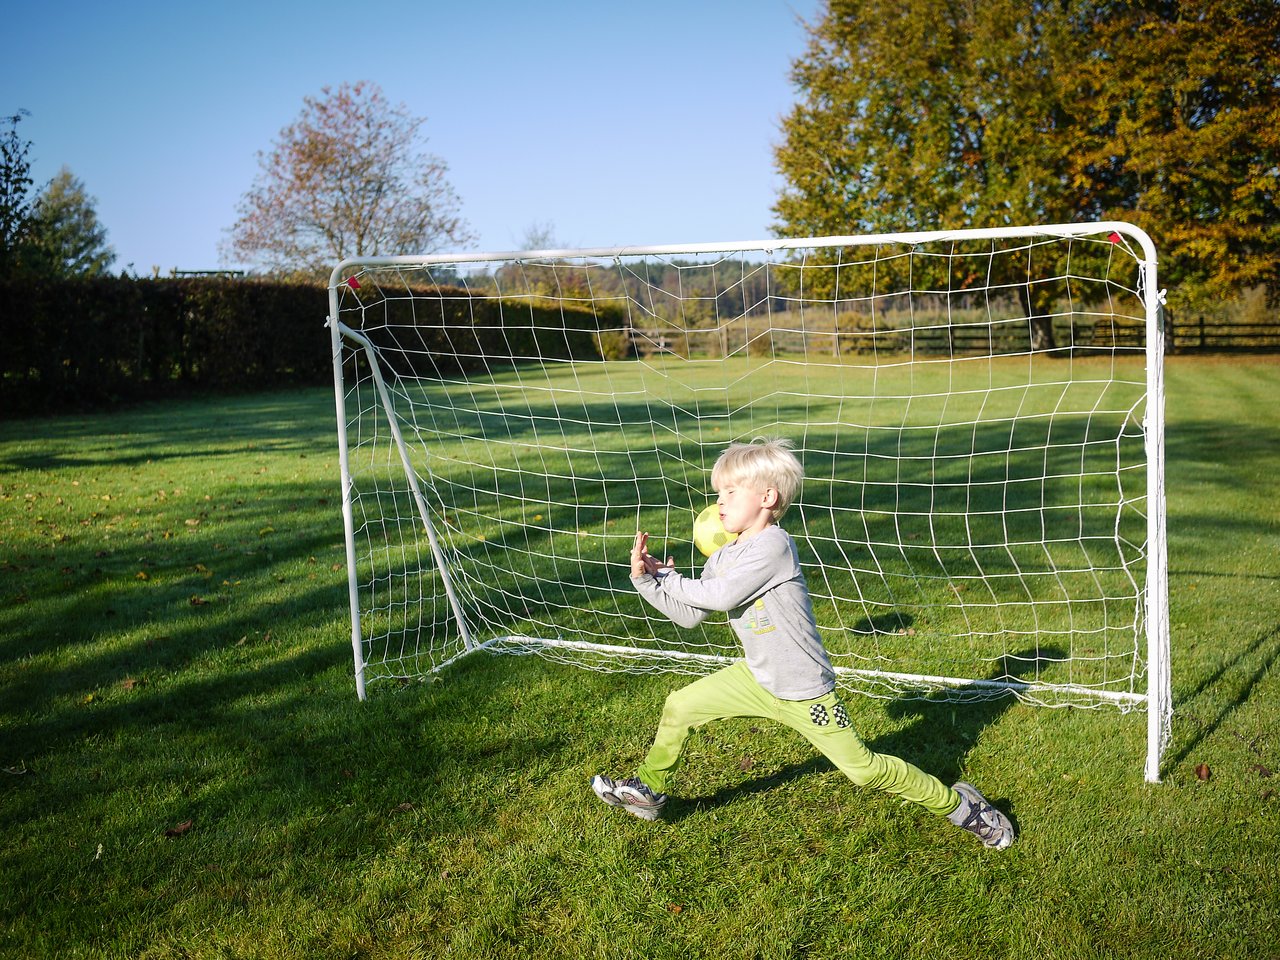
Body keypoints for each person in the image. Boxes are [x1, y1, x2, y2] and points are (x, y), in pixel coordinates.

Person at [591, 437, 1015, 849]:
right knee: (681, 705)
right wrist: (646, 581)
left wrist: (671, 579)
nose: (718, 501)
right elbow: (691, 615)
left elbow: (718, 598)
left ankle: (964, 808)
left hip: (804, 688)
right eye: (717, 492)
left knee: (863, 770)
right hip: (757, 677)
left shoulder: (775, 545)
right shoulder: (723, 555)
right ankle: (649, 789)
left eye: (730, 491)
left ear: (768, 498)